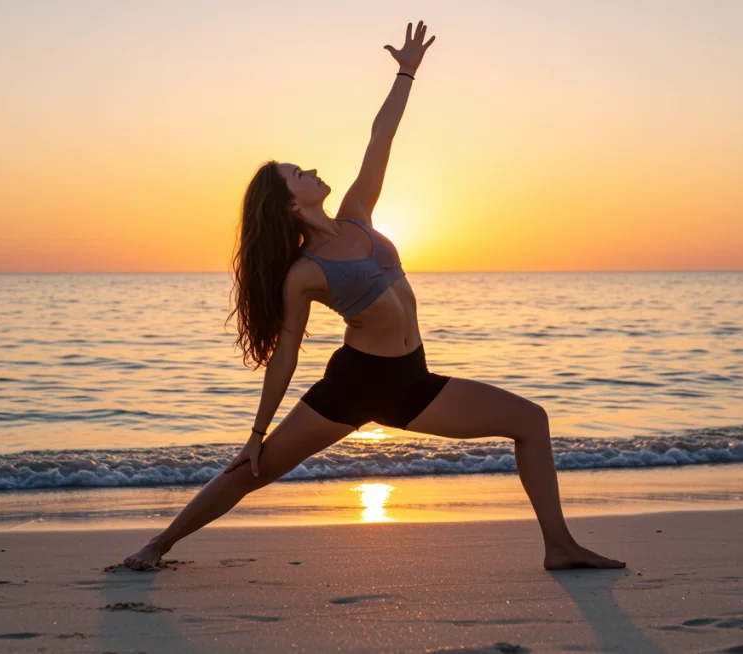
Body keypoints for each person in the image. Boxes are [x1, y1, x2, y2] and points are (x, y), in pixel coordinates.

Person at [124, 20, 624, 572]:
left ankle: (559, 547)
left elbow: (379, 136)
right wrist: (256, 432)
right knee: (256, 469)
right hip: (357, 384)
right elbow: (286, 355)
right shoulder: (304, 273)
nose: (312, 170)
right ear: (291, 205)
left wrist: (406, 71)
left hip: (412, 380)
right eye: (298, 173)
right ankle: (155, 547)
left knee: (531, 421)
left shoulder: (358, 213)